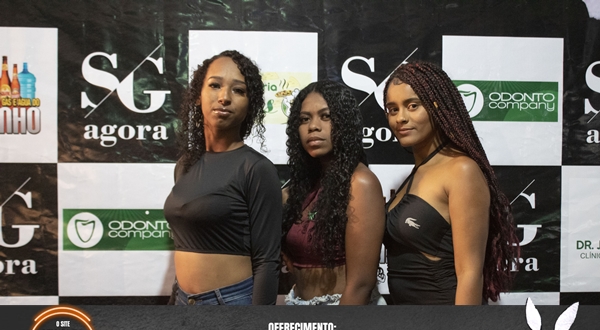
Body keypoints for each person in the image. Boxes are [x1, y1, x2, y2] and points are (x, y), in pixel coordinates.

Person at [382, 61, 519, 305]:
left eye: (412, 106)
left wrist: (459, 329)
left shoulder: (461, 170)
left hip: (443, 319)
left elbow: (470, 274)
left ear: (436, 106)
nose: (400, 118)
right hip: (405, 321)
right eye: (393, 109)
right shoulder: (417, 173)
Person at [164, 50, 281, 305]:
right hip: (183, 300)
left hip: (232, 303)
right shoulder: (185, 165)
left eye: (238, 90)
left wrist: (258, 324)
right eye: (215, 85)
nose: (224, 97)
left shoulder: (257, 169)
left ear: (250, 105)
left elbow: (267, 261)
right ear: (198, 95)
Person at [282, 80, 385, 305]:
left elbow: (361, 285)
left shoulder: (360, 183)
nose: (313, 126)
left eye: (326, 116)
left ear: (344, 123)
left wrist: (335, 326)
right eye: (304, 119)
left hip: (343, 314)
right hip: (297, 307)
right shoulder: (299, 190)